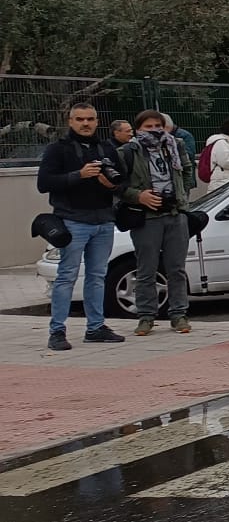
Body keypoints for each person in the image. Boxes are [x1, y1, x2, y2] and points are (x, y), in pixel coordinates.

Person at [36, 100, 126, 350]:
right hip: (73, 221)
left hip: (104, 221)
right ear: (70, 121)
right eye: (80, 119)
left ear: (97, 121)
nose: (85, 123)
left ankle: (95, 327)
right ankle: (57, 331)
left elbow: (121, 182)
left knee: (98, 276)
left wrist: (113, 186)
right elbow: (44, 183)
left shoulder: (106, 148)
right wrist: (79, 175)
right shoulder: (58, 149)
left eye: (90, 119)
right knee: (66, 276)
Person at [118, 110, 198, 334]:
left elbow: (187, 170)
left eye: (157, 126)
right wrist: (139, 196)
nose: (154, 130)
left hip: (175, 213)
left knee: (176, 269)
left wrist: (181, 196)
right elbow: (118, 186)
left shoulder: (175, 145)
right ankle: (146, 316)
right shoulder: (128, 151)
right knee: (146, 270)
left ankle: (179, 314)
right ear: (138, 129)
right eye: (148, 126)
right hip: (147, 217)